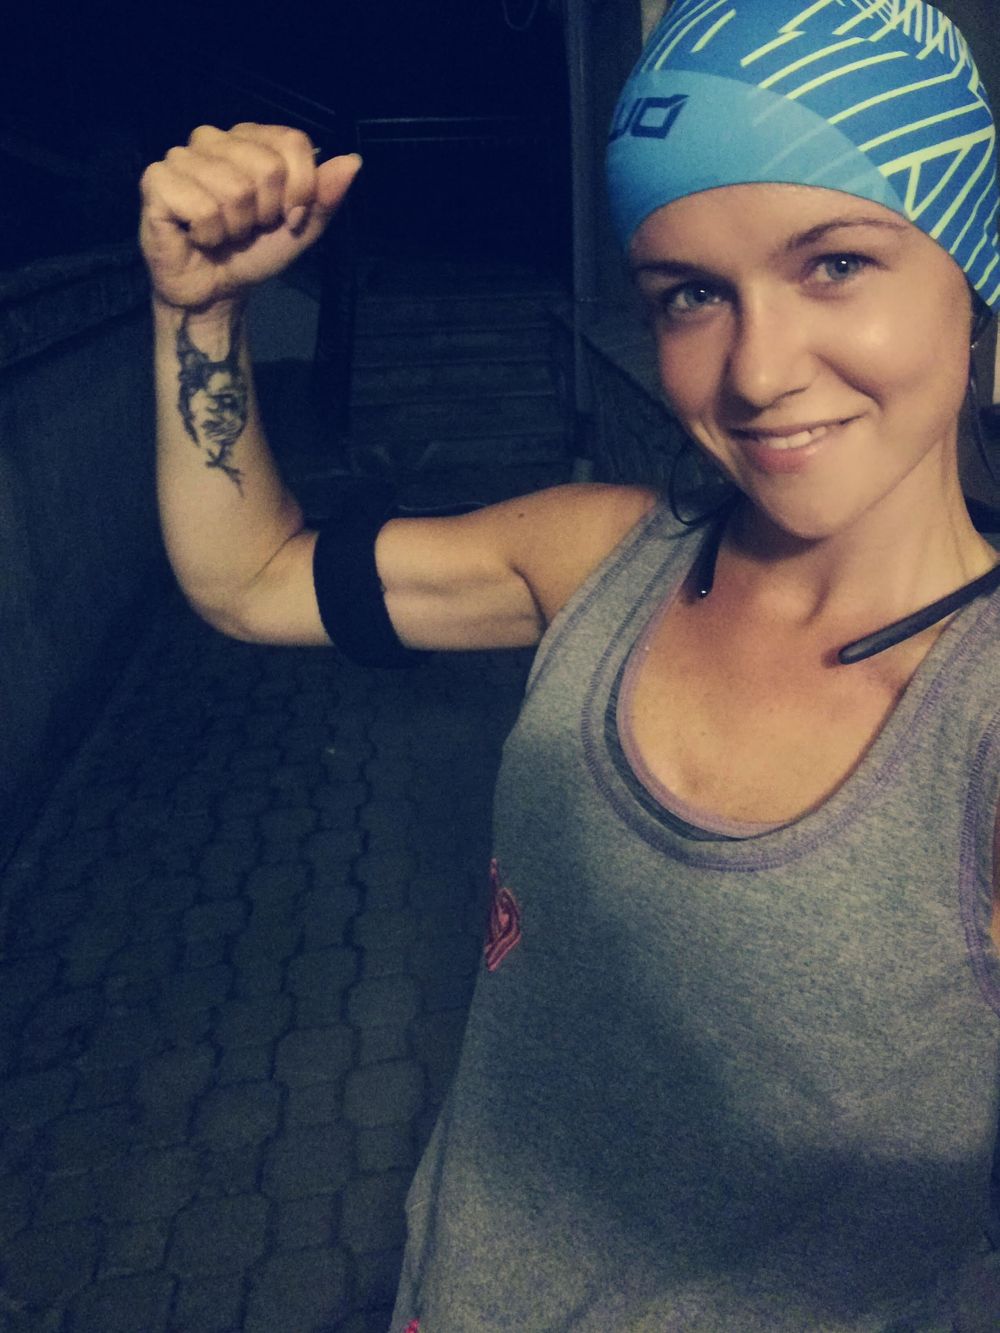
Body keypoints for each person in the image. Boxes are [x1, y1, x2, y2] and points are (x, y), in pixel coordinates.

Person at [139, 0, 1000, 1326]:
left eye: (835, 263)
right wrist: (198, 316)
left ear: (974, 273)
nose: (759, 371)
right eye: (691, 294)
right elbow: (247, 578)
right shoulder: (598, 558)